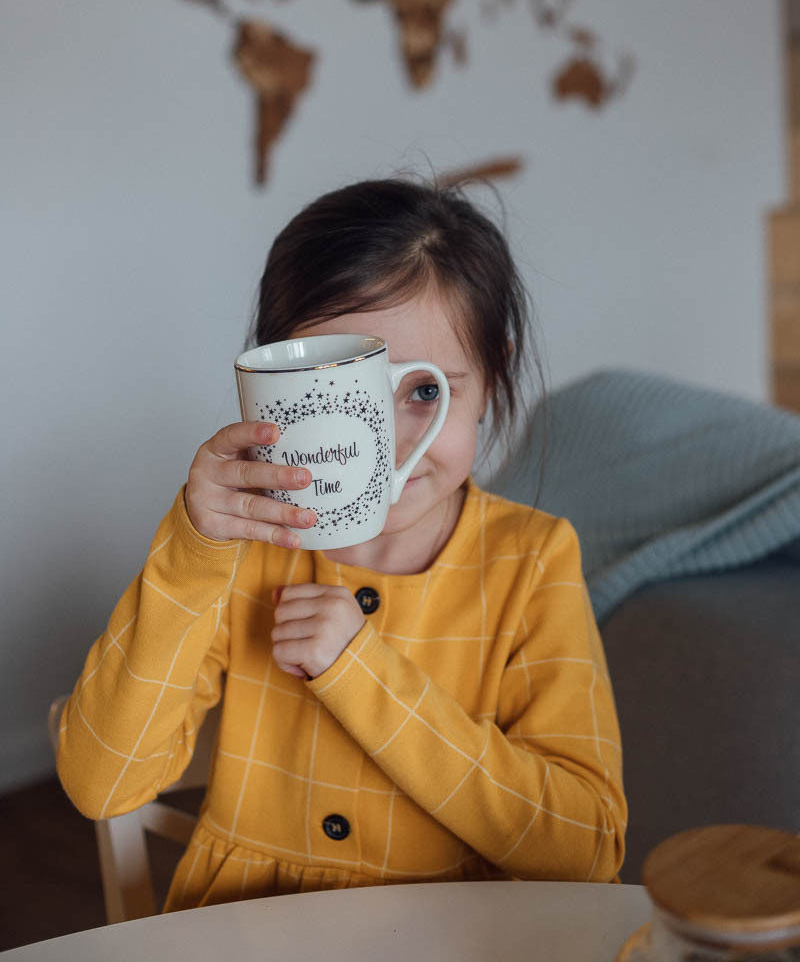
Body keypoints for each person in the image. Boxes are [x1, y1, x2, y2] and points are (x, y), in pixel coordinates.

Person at [56, 177, 626, 911]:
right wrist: (195, 548)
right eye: (335, 392)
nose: (382, 443)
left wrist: (364, 672)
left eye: (426, 393)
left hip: (460, 936)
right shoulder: (239, 549)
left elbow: (585, 848)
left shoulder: (534, 559)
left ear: (490, 378)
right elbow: (102, 783)